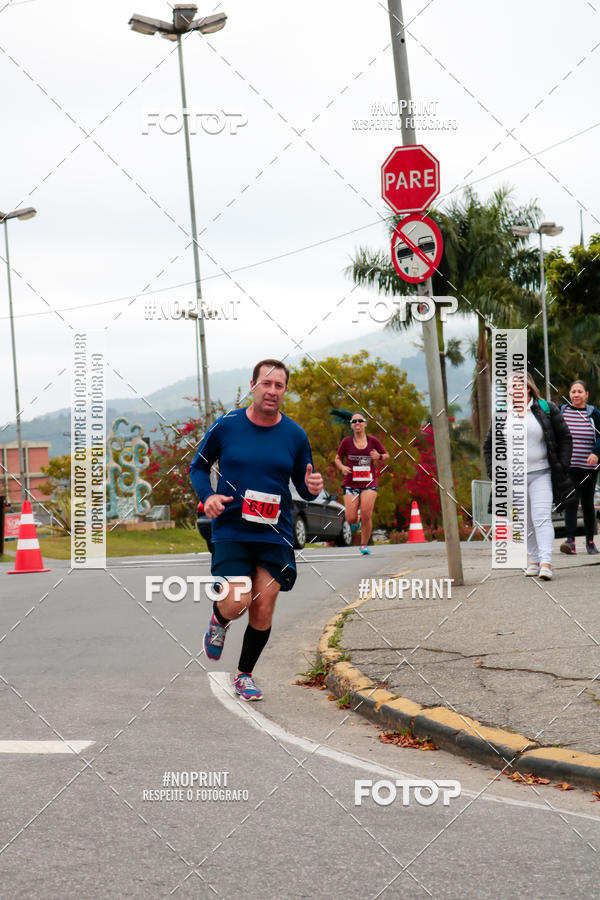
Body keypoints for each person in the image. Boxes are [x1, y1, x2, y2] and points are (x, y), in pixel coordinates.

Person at [189, 359, 323, 701]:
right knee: (238, 601)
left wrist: (311, 488)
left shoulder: (295, 435)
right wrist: (207, 497)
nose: (272, 391)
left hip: (274, 532)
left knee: (263, 605)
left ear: (284, 390)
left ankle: (244, 675)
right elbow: (198, 467)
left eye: (279, 385)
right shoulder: (227, 426)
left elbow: (304, 485)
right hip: (232, 529)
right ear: (253, 386)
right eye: (266, 383)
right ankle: (219, 620)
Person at [484, 372, 572, 581]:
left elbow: (565, 438)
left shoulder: (546, 409)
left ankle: (546, 562)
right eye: (509, 388)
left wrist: (562, 465)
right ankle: (533, 560)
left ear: (527, 388)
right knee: (525, 522)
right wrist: (494, 472)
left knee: (541, 517)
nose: (511, 391)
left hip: (542, 473)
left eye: (516, 386)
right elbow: (489, 446)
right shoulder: (502, 414)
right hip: (513, 477)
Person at [334, 414, 389, 555]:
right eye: (354, 421)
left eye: (360, 420)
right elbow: (337, 458)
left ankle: (364, 545)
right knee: (350, 518)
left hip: (369, 483)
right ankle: (358, 518)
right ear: (351, 425)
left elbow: (386, 455)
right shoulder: (346, 442)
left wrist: (379, 456)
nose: (357, 423)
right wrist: (342, 467)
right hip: (350, 484)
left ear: (365, 424)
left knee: (366, 514)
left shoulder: (373, 441)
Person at [559, 380, 600, 555]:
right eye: (573, 391)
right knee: (571, 501)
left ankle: (590, 541)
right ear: (569, 394)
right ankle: (570, 541)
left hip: (589, 467)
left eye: (580, 391)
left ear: (586, 394)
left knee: (587, 503)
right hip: (569, 466)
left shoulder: (593, 413)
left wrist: (596, 452)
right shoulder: (562, 411)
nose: (576, 394)